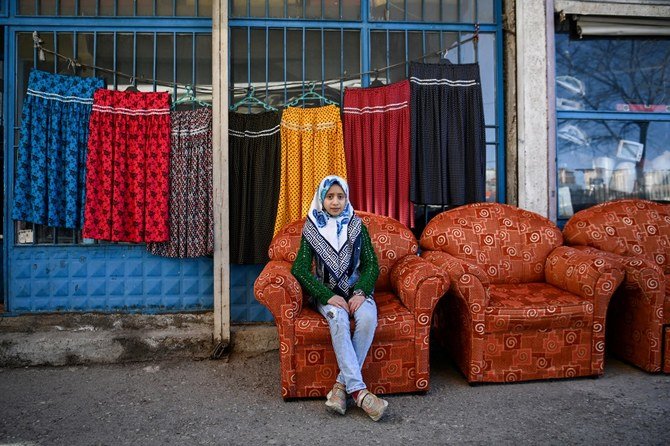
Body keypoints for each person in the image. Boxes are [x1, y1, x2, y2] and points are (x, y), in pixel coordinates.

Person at [291, 175, 388, 421]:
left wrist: (361, 291)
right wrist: (326, 295)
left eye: (340, 196)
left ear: (347, 198)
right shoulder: (311, 228)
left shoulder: (357, 226)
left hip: (357, 292)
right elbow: (300, 269)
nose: (335, 202)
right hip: (328, 296)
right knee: (339, 318)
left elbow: (371, 266)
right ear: (321, 198)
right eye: (330, 196)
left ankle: (340, 388)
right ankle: (361, 393)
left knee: (367, 318)